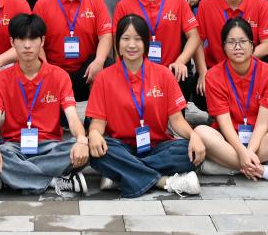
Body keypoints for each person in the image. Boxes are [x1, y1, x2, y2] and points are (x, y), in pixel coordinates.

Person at [86, 14, 205, 197]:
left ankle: (122, 174)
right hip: (121, 146)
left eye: (137, 39)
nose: (131, 45)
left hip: (157, 146)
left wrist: (193, 135)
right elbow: (98, 123)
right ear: (118, 43)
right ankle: (164, 182)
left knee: (186, 150)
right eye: (126, 38)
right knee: (96, 151)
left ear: (146, 43)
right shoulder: (104, 78)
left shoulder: (163, 74)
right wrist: (94, 133)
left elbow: (177, 119)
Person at [0, 13, 91, 195]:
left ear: (42, 41)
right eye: (21, 39)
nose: (27, 45)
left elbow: (72, 117)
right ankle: (54, 181)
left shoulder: (59, 76)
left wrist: (81, 139)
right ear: (12, 42)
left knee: (85, 149)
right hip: (14, 146)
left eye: (32, 39)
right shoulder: (1, 79)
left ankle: (11, 176)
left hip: (50, 146)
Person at [192, 18, 268, 182]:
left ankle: (232, 167)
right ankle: (265, 170)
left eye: (243, 41)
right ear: (223, 46)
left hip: (263, 140)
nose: (237, 47)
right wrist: (242, 152)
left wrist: (247, 154)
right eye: (231, 42)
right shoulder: (213, 75)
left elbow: (263, 124)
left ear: (252, 45)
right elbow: (225, 125)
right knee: (200, 132)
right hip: (229, 142)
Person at [112, 0, 202, 103]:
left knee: (184, 80)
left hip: (171, 72)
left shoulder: (178, 1)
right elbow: (117, 44)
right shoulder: (124, 6)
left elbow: (194, 36)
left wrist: (181, 61)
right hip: (137, 73)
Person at [33, 0, 113, 101]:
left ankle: (95, 114)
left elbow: (105, 35)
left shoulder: (96, 1)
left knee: (107, 64)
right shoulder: (42, 5)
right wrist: (45, 68)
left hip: (86, 72)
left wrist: (99, 61)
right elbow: (36, 42)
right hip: (54, 72)